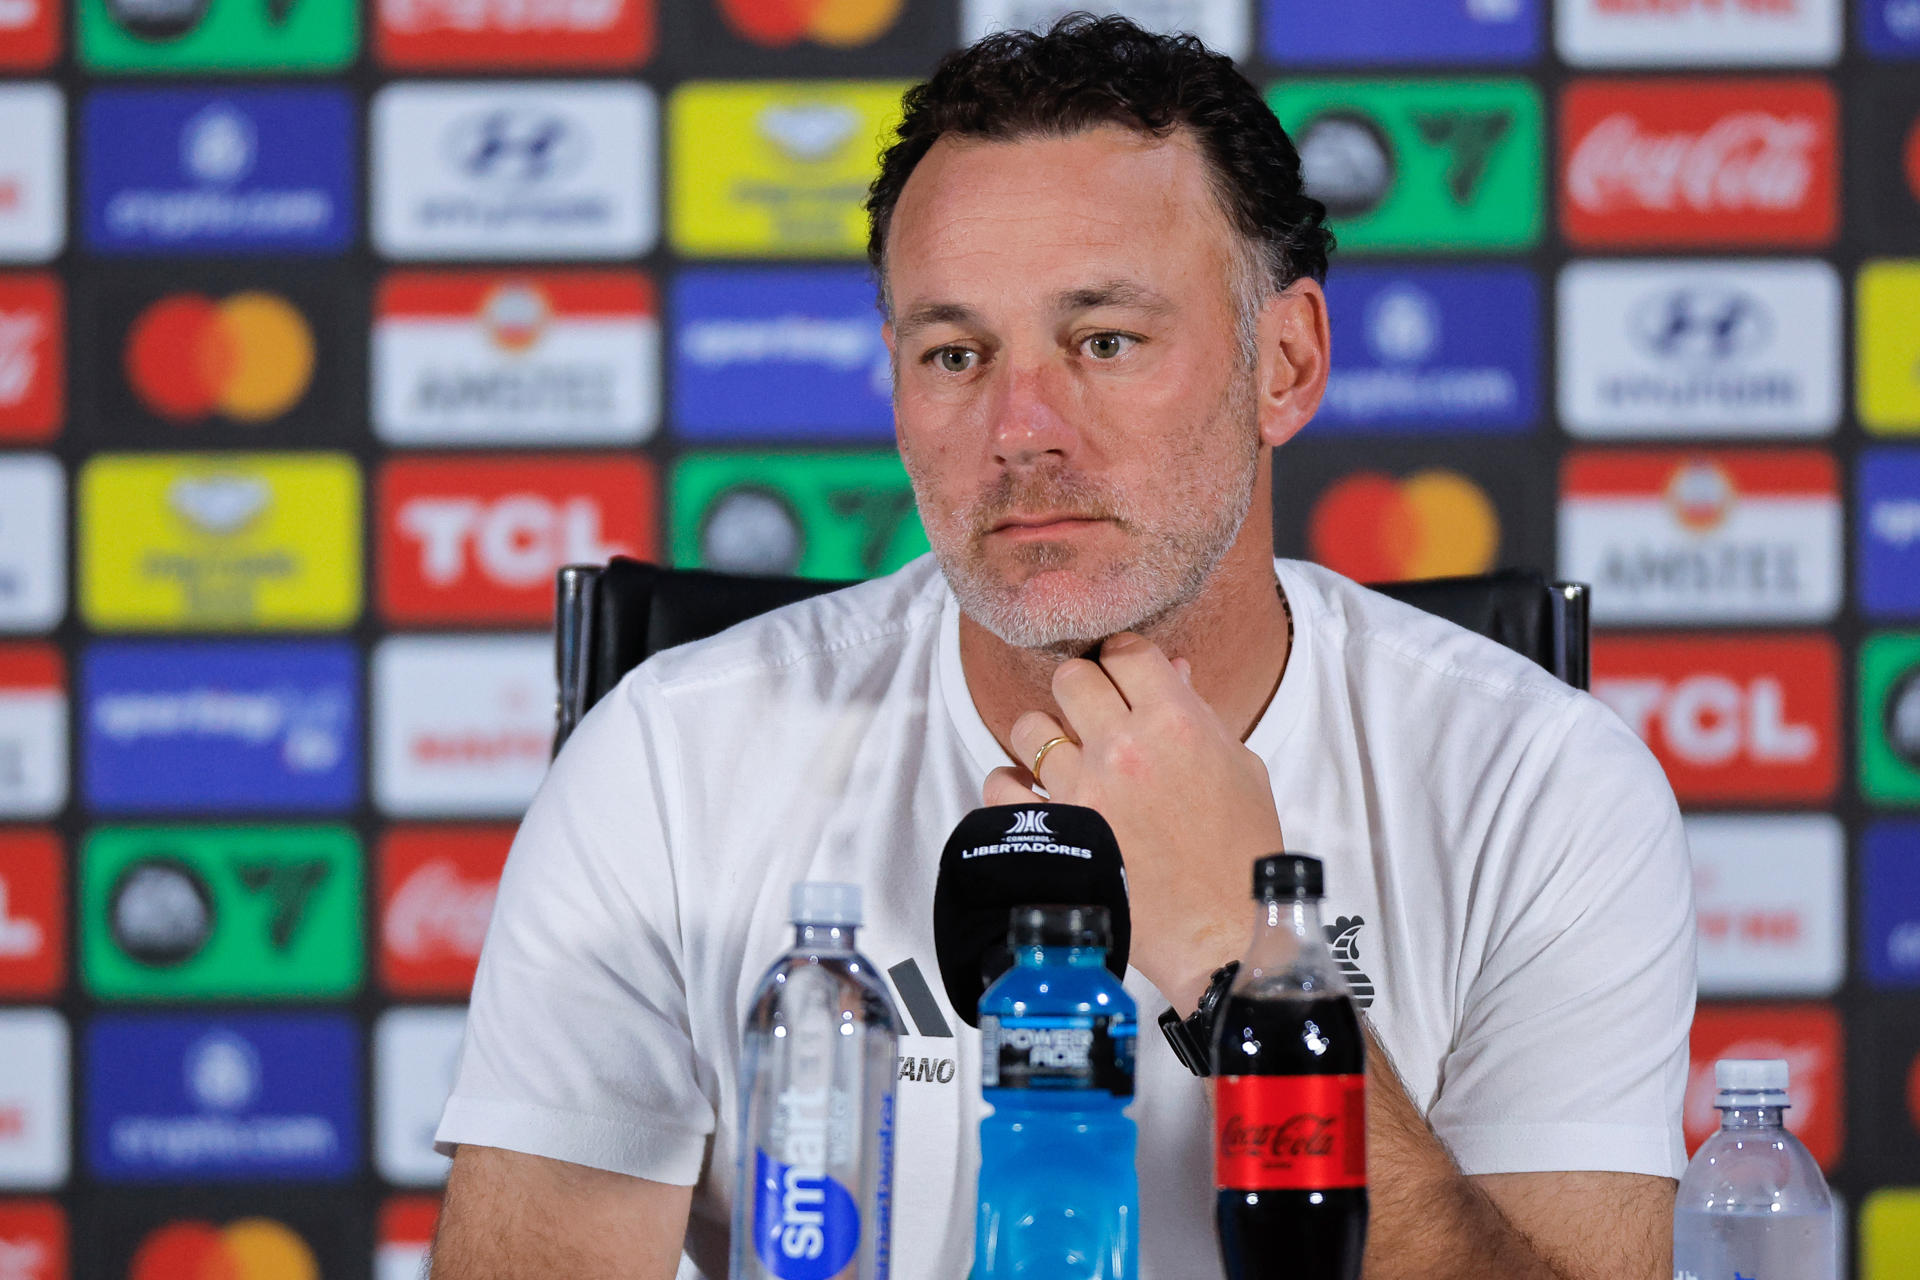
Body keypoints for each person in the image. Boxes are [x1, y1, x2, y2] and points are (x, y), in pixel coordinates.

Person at [427, 15, 1694, 1280]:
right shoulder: (668, 759)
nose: (1021, 429)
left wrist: (1243, 963)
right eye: (955, 353)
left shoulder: (1541, 785)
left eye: (1104, 340)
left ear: (1288, 362)